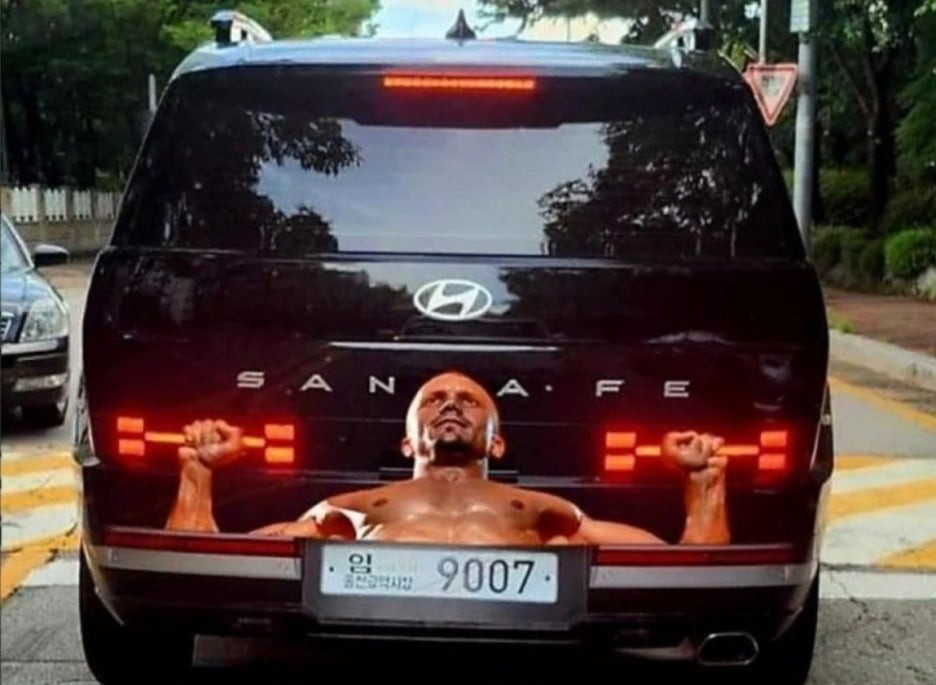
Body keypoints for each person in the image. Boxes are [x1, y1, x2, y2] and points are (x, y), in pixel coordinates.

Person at [166, 371, 729, 545]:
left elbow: (680, 570)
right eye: (434, 400)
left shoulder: (539, 511)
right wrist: (198, 473)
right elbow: (207, 568)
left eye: (469, 400)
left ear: (498, 443)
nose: (452, 404)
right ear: (407, 442)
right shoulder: (354, 508)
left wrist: (703, 484)